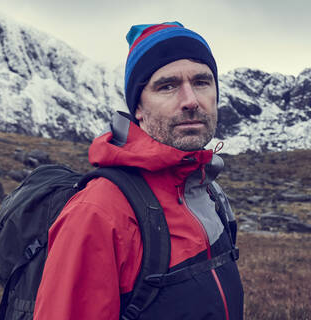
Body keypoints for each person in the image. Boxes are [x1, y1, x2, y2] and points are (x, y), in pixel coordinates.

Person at [33, 22, 244, 320]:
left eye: (201, 82)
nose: (190, 101)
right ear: (138, 108)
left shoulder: (206, 190)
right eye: (167, 86)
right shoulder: (99, 212)